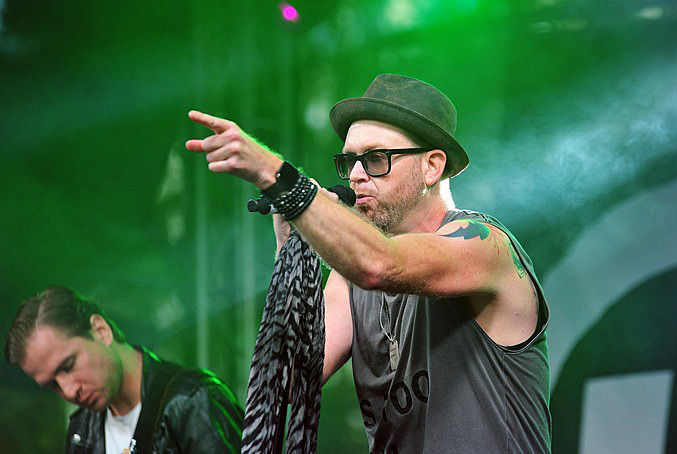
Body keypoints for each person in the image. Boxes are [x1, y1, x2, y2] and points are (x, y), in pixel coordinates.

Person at [186, 73, 551, 453]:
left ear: (431, 166)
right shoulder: (348, 281)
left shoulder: (483, 245)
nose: (357, 176)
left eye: (376, 159)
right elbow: (290, 381)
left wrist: (278, 177)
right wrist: (291, 251)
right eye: (350, 161)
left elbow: (381, 264)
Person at [4, 286, 244, 454]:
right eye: (52, 385)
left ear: (101, 331)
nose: (68, 391)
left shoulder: (194, 401)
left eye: (68, 365)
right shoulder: (81, 432)